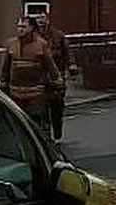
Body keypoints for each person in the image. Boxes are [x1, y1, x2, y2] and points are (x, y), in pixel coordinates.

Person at [0, 16, 63, 130]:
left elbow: (50, 65)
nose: (20, 29)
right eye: (19, 26)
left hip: (36, 94)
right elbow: (6, 66)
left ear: (31, 28)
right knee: (19, 123)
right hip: (16, 92)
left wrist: (57, 82)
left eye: (23, 27)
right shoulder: (11, 44)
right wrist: (3, 82)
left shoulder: (41, 44)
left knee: (35, 122)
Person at [36, 12, 74, 142]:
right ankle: (46, 137)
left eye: (42, 18)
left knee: (57, 109)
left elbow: (68, 53)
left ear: (48, 20)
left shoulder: (58, 36)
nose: (40, 21)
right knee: (42, 109)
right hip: (40, 79)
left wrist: (72, 66)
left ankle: (57, 136)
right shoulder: (34, 37)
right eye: (37, 19)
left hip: (56, 79)